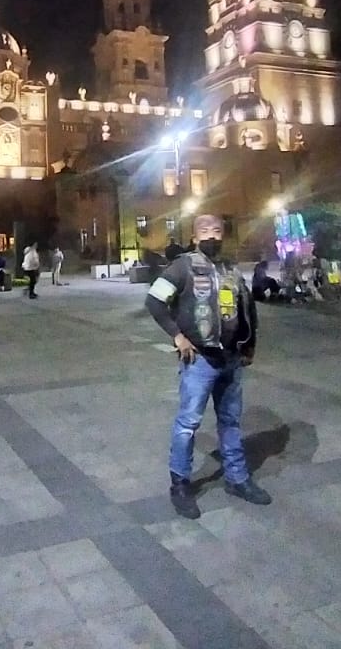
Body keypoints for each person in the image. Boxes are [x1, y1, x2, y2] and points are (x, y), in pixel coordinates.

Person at [145, 214, 270, 520]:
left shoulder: (229, 268)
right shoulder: (182, 266)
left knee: (231, 421)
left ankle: (237, 479)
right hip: (199, 360)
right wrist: (178, 336)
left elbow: (247, 307)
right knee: (188, 424)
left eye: (217, 230)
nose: (212, 235)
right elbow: (154, 301)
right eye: (205, 231)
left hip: (231, 359)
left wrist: (250, 343)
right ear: (195, 235)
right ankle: (180, 485)